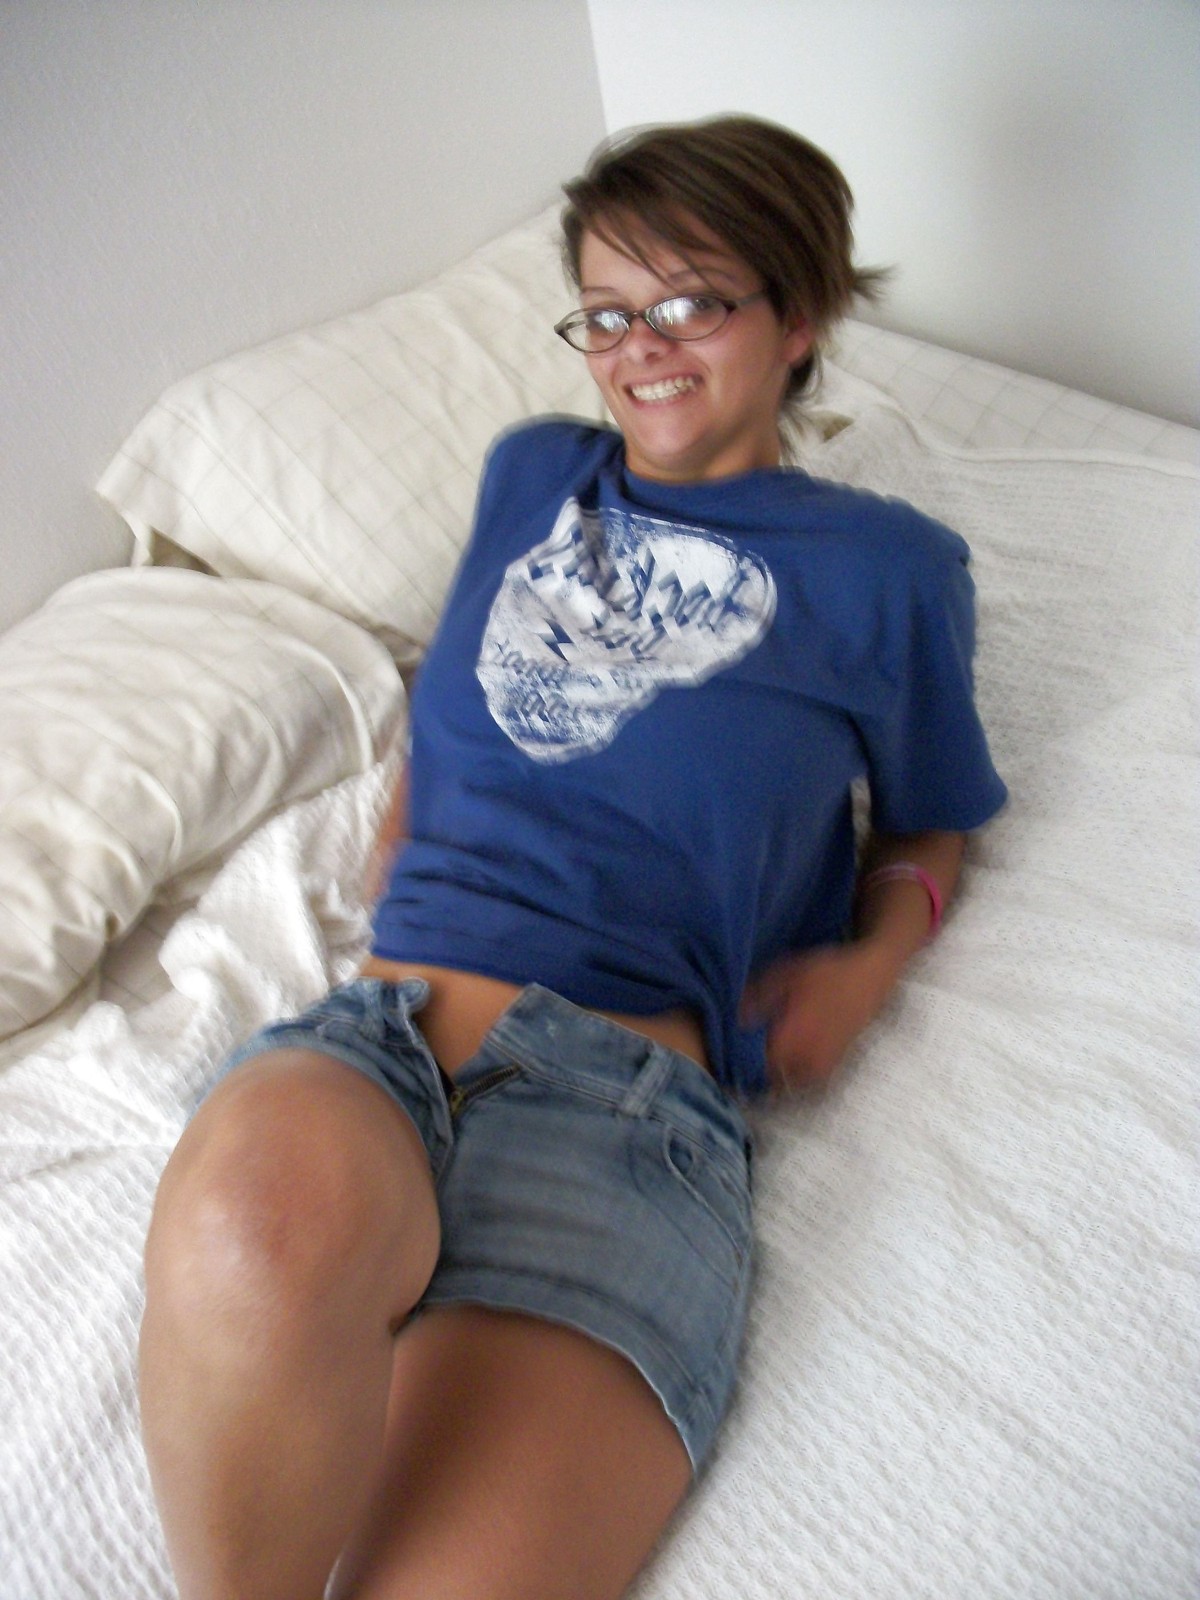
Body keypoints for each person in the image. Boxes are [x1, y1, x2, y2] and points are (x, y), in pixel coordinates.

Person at [138, 114, 1007, 1600]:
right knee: (253, 1230)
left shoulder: (888, 569)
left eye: (691, 303)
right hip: (386, 1038)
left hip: (623, 1108)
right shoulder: (532, 471)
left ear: (800, 319)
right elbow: (462, 664)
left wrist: (873, 960)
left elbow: (936, 817)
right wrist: (415, 802)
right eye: (606, 312)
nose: (638, 348)